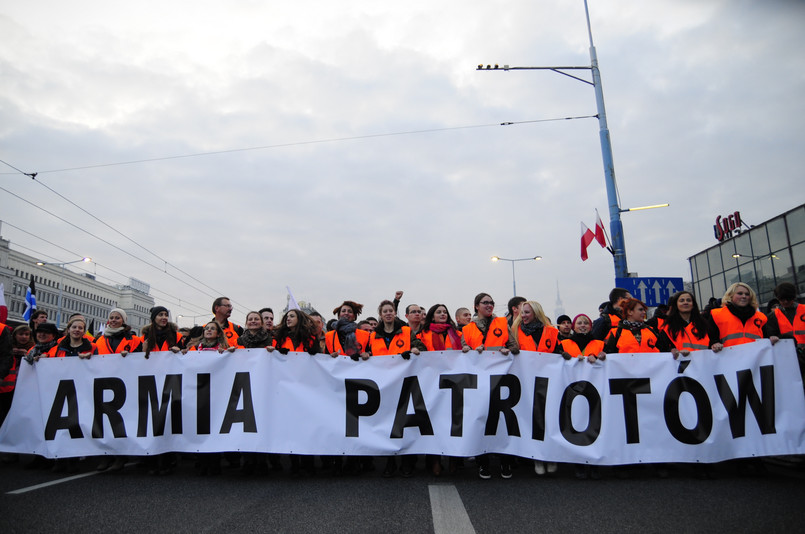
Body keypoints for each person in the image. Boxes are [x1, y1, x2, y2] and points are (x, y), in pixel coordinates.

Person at [461, 293, 518, 480]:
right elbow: (463, 351)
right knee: (481, 420)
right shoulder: (468, 329)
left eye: (492, 302)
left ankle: (505, 461)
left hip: (500, 380)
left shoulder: (502, 323)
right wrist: (467, 351)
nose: (490, 305)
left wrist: (508, 350)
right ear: (476, 306)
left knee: (501, 421)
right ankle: (482, 462)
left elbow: (515, 347)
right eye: (485, 302)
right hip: (479, 383)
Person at [511, 301, 559, 476]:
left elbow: (558, 353)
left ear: (536, 313)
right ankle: (537, 457)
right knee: (533, 420)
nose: (523, 315)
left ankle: (551, 455)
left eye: (527, 312)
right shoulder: (515, 333)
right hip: (526, 382)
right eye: (522, 312)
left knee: (549, 419)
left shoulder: (552, 332)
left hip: (549, 382)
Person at [93, 309, 141, 472]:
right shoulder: (99, 339)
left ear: (124, 321)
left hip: (124, 384)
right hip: (102, 382)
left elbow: (142, 358)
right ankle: (104, 456)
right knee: (103, 421)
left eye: (117, 318)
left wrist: (131, 355)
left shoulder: (133, 339)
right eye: (111, 317)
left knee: (119, 422)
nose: (114, 320)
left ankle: (120, 456)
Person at [707, 283, 778, 350]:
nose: (744, 296)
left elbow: (766, 338)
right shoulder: (717, 314)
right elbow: (711, 339)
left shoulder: (761, 317)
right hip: (729, 359)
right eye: (740, 293)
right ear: (730, 296)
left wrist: (771, 339)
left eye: (747, 294)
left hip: (756, 360)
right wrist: (714, 344)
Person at [603, 298, 671, 354]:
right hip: (626, 370)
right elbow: (609, 355)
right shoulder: (616, 333)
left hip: (650, 370)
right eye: (640, 310)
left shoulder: (651, 331)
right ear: (630, 312)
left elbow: (664, 351)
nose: (644, 312)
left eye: (644, 310)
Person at [662, 292, 716, 357]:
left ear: (693, 305)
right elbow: (662, 349)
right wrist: (671, 351)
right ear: (676, 305)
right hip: (681, 365)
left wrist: (715, 345)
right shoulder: (667, 328)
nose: (685, 302)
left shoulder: (704, 324)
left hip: (704, 364)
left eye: (689, 300)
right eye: (682, 301)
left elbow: (712, 341)